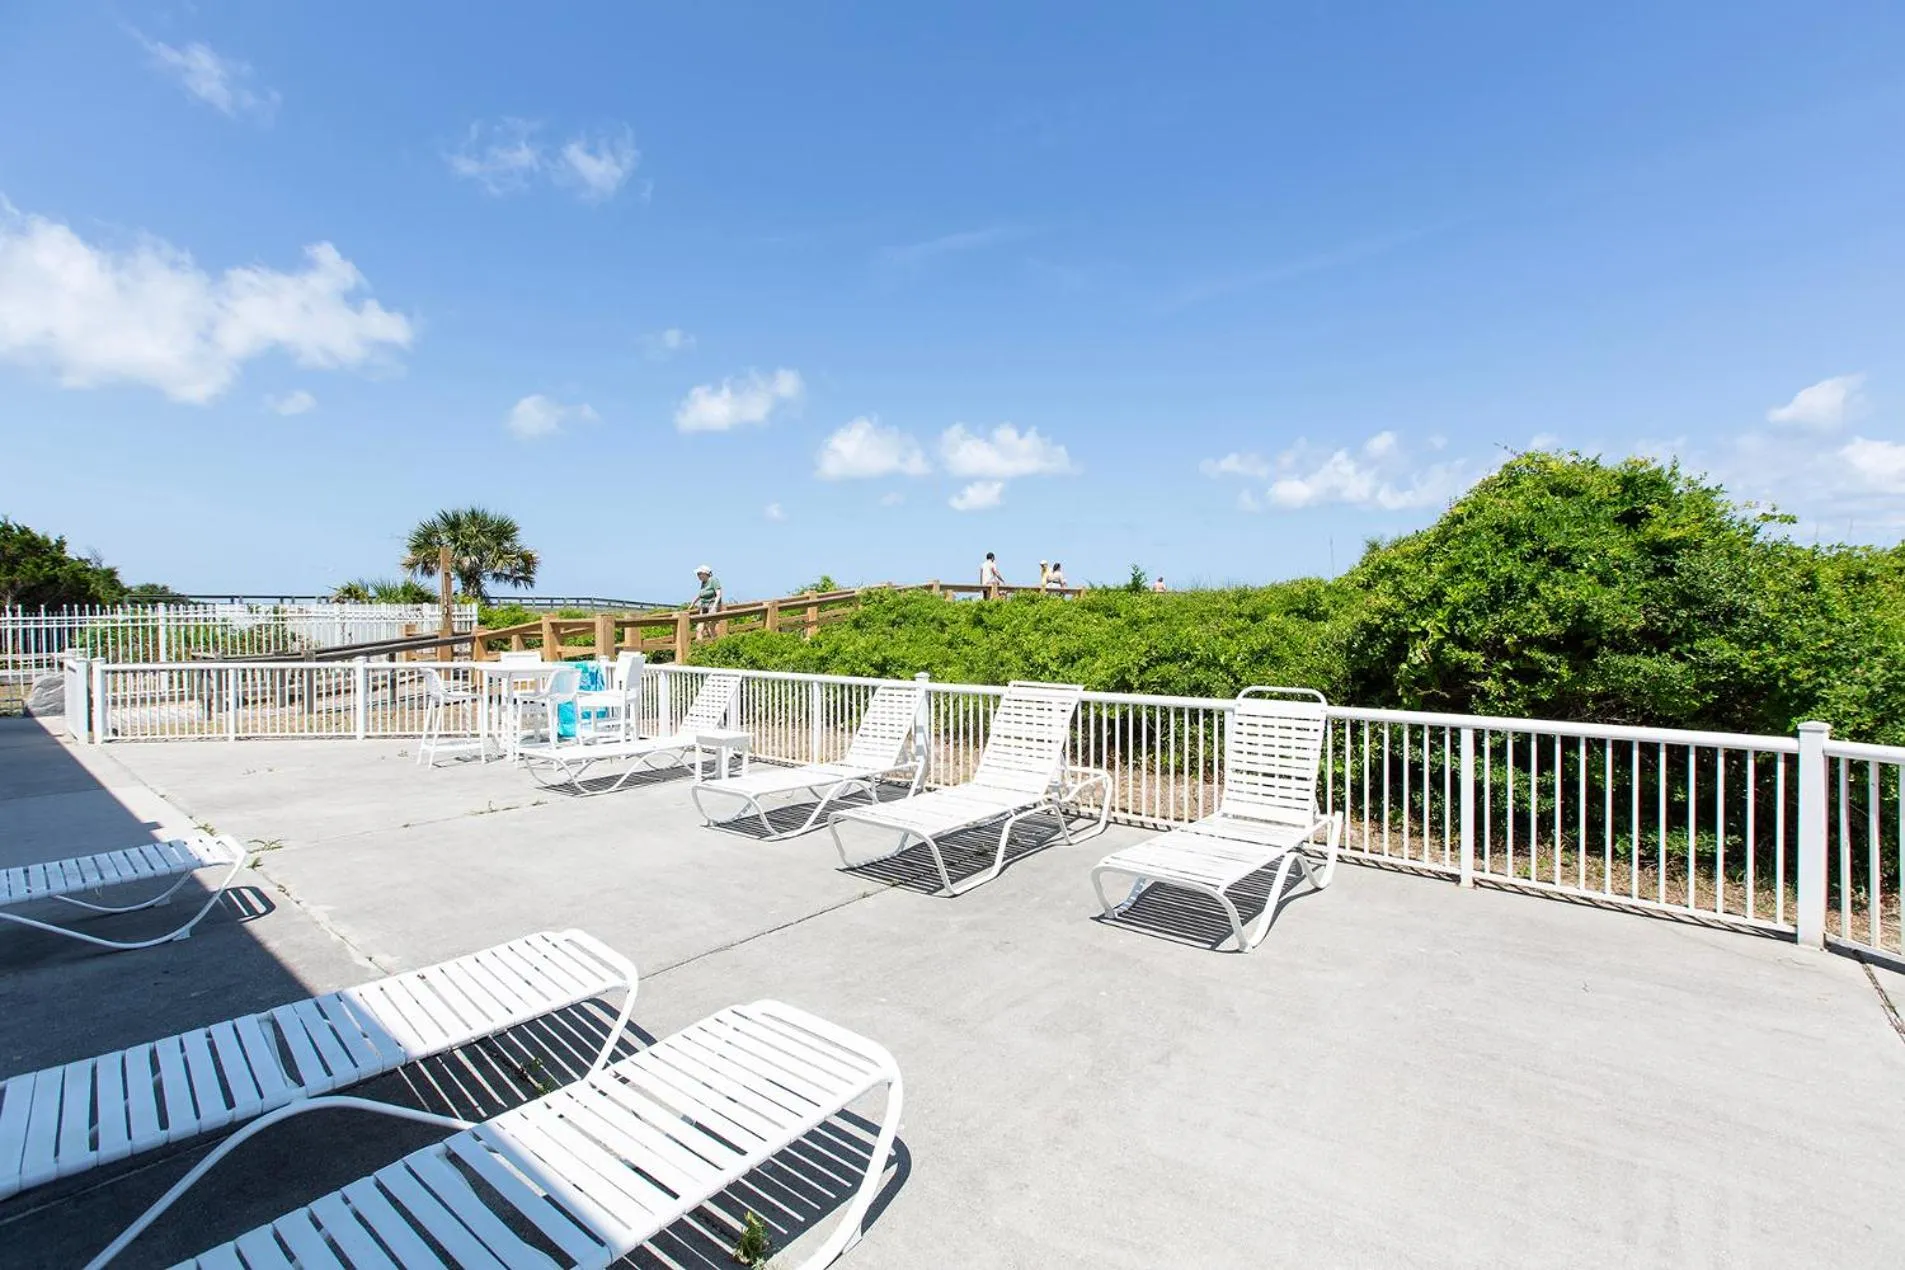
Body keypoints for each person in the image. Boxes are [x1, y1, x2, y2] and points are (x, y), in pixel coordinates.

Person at [689, 564, 722, 640]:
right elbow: (701, 594)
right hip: (703, 607)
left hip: (712, 605)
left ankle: (716, 643)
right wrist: (693, 603)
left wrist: (714, 607)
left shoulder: (714, 580)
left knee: (711, 628)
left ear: (705, 573)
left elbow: (719, 594)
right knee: (699, 629)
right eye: (697, 574)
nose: (698, 576)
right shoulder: (703, 582)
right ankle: (699, 645)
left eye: (699, 573)